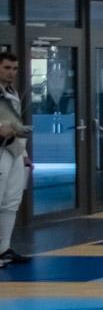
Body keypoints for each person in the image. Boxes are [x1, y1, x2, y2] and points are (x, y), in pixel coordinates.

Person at [0, 51, 33, 268]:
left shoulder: (12, 93)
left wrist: (24, 155)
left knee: (12, 201)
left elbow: (16, 124)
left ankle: (4, 249)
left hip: (13, 151)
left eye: (14, 69)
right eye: (6, 68)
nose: (11, 73)